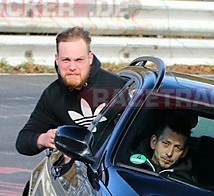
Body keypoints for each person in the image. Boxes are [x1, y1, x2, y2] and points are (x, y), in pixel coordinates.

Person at [15, 27, 126, 156]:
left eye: (79, 60)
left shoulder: (117, 88)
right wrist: (43, 139)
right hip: (76, 170)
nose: (72, 67)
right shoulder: (53, 95)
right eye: (66, 60)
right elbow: (23, 140)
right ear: (57, 59)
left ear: (90, 58)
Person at [129, 114, 196, 182]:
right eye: (166, 144)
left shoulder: (186, 183)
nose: (169, 153)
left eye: (177, 148)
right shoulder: (128, 164)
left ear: (184, 153)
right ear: (154, 142)